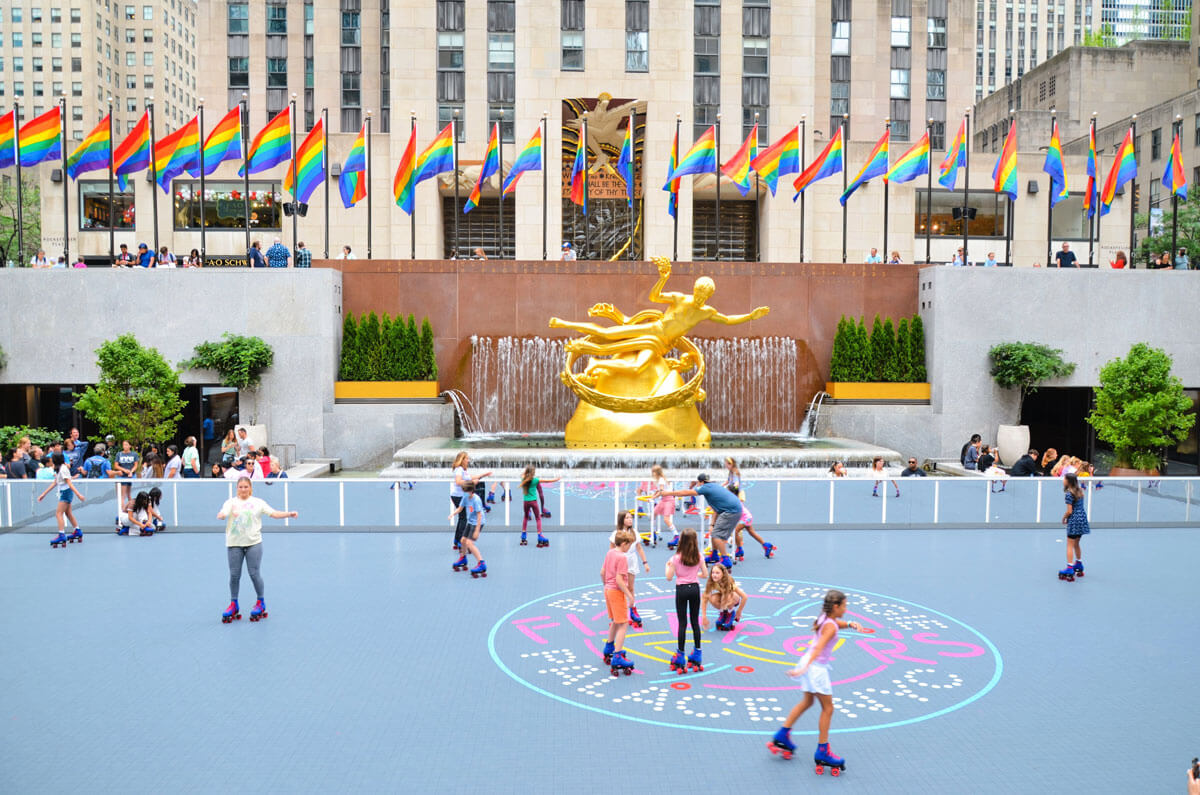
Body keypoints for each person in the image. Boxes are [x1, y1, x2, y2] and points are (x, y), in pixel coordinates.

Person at [768, 589, 864, 773]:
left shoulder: (824, 618)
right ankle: (823, 751)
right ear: (836, 606)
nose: (846, 609)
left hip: (808, 663)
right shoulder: (830, 626)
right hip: (816, 669)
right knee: (828, 708)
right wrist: (804, 669)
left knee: (807, 701)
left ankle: (782, 734)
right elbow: (820, 647)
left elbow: (835, 625)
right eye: (844, 606)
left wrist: (851, 624)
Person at [216, 477, 298, 623]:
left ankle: (261, 602)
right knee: (234, 575)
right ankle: (234, 604)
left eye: (245, 487)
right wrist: (222, 515)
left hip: (254, 542)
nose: (243, 489)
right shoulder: (231, 502)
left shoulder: (258, 502)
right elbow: (224, 512)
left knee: (254, 573)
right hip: (234, 543)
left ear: (250, 488)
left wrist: (289, 514)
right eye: (240, 487)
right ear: (237, 488)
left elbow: (273, 513)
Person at [656, 473, 742, 569]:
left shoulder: (704, 487)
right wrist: (712, 524)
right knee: (714, 533)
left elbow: (685, 492)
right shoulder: (713, 487)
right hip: (733, 510)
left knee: (717, 535)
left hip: (731, 511)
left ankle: (726, 560)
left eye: (697, 483)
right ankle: (714, 555)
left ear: (700, 482)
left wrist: (667, 493)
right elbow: (716, 509)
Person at [665, 527, 707, 674]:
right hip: (695, 588)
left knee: (682, 623)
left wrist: (668, 566)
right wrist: (695, 574)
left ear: (681, 541)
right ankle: (697, 653)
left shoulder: (675, 558)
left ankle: (680, 655)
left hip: (681, 590)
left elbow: (669, 577)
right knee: (695, 622)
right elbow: (705, 574)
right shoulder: (699, 556)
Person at [600, 527, 637, 675]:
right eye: (628, 545)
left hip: (608, 590)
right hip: (616, 591)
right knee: (623, 623)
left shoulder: (610, 553)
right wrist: (629, 595)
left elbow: (602, 572)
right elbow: (620, 580)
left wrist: (606, 585)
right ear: (623, 544)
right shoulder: (622, 557)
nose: (629, 548)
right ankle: (617, 655)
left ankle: (609, 646)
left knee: (615, 620)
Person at [609, 510, 651, 626]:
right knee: (619, 588)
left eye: (631, 518)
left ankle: (633, 610)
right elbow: (611, 549)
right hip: (619, 561)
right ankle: (616, 612)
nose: (630, 520)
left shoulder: (635, 533)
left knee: (631, 587)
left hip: (631, 561)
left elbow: (639, 548)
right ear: (622, 520)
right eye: (627, 518)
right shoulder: (616, 534)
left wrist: (645, 562)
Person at [38, 451, 86, 548]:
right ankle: (77, 530)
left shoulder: (63, 469)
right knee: (68, 513)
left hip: (66, 493)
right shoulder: (59, 469)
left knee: (58, 513)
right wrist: (44, 494)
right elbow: (55, 482)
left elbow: (69, 483)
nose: (50, 459)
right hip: (64, 492)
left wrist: (78, 494)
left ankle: (61, 534)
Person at [450, 452, 491, 552]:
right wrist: (472, 483)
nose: (468, 461)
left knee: (462, 517)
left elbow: (471, 477)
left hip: (459, 496)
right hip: (459, 496)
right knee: (464, 518)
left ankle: (456, 540)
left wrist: (483, 475)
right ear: (462, 460)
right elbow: (458, 481)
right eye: (467, 459)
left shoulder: (463, 470)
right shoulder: (459, 470)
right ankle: (460, 542)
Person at [451, 481, 489, 577]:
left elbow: (479, 515)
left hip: (478, 522)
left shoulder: (476, 500)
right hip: (471, 521)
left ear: (471, 491)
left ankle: (482, 563)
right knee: (463, 540)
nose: (464, 493)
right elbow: (460, 508)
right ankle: (463, 558)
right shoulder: (465, 497)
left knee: (469, 543)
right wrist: (452, 514)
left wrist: (477, 530)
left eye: (465, 491)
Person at [520, 465, 560, 548]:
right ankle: (539, 535)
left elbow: (522, 474)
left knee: (526, 517)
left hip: (525, 502)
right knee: (538, 518)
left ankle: (523, 535)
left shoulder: (523, 479)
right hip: (533, 502)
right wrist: (556, 479)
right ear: (533, 473)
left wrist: (526, 471)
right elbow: (547, 481)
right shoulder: (535, 480)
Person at [1059, 472, 1089, 581]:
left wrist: (1064, 517)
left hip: (1074, 520)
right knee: (1077, 543)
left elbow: (1069, 511)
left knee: (1069, 545)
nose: (1063, 480)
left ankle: (1069, 567)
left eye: (1064, 479)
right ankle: (1079, 563)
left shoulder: (1069, 494)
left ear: (1068, 481)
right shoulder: (1080, 491)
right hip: (1082, 519)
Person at [703, 562, 747, 632]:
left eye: (717, 573)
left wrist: (739, 611)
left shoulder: (728, 582)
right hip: (724, 596)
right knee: (712, 598)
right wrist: (704, 617)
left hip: (734, 598)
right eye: (713, 573)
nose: (714, 575)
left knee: (727, 596)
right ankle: (724, 613)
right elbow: (704, 599)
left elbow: (744, 597)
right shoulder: (711, 581)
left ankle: (730, 612)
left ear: (723, 574)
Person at [650, 464, 679, 549]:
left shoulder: (661, 480)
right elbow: (659, 490)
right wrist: (654, 495)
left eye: (653, 472)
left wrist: (653, 497)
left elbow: (661, 491)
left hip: (668, 500)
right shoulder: (662, 479)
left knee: (666, 519)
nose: (652, 474)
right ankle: (653, 533)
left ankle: (676, 535)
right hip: (664, 500)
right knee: (653, 514)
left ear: (656, 472)